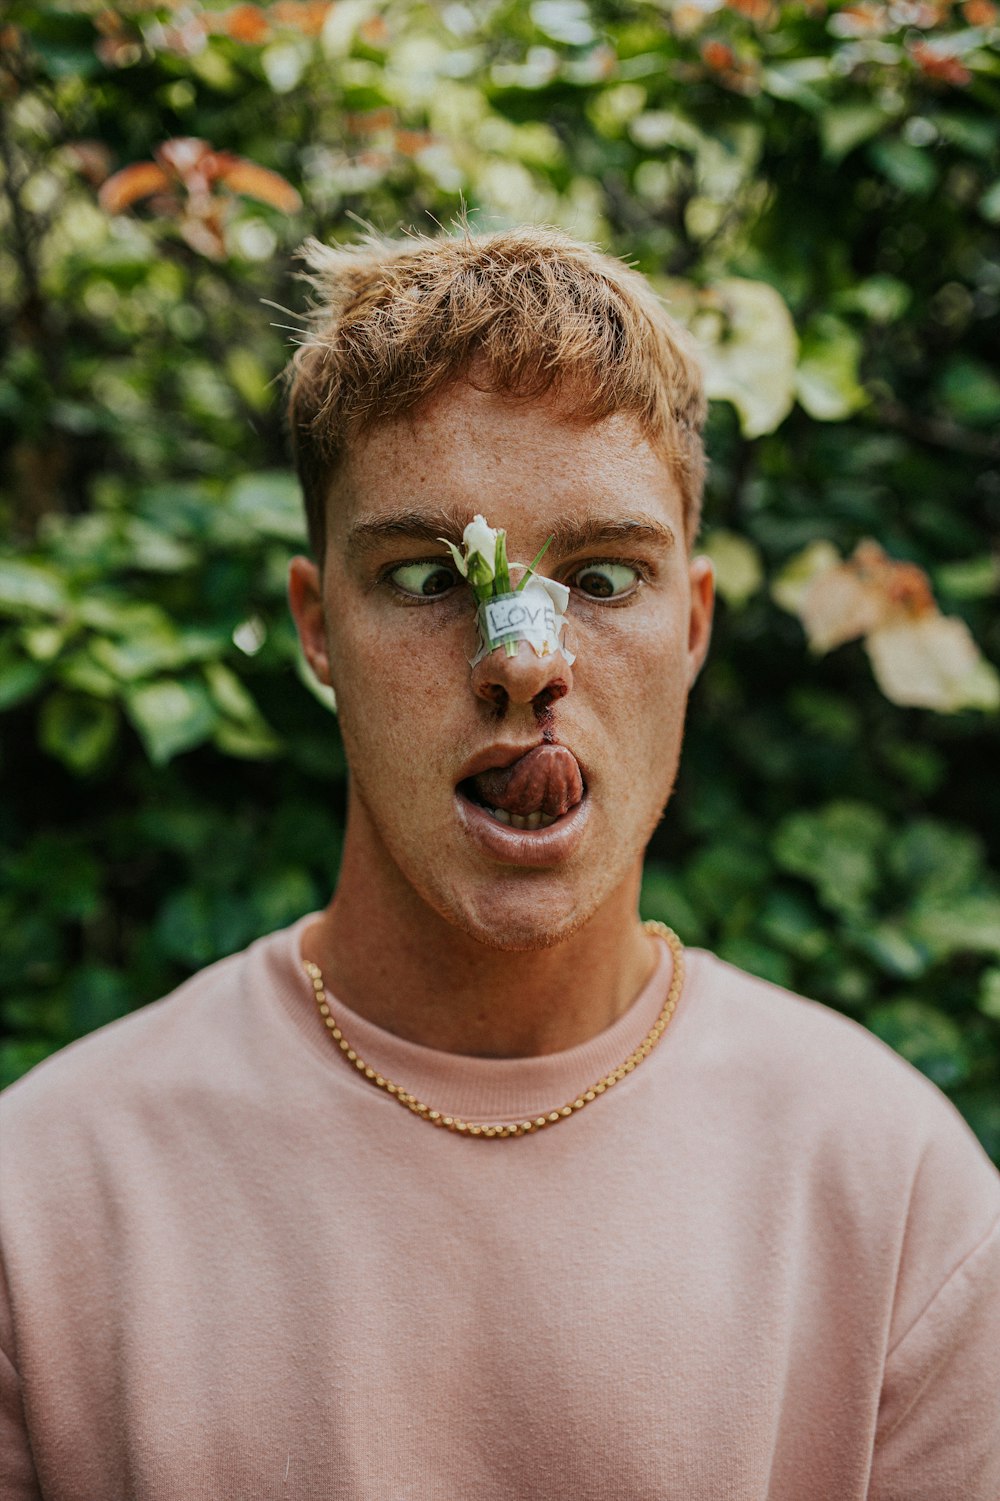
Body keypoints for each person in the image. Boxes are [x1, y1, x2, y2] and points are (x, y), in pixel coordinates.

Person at [1, 226, 998, 1501]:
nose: (524, 661)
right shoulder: (40, 1213)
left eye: (601, 576)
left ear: (691, 624)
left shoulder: (897, 1204)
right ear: (319, 627)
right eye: (425, 577)